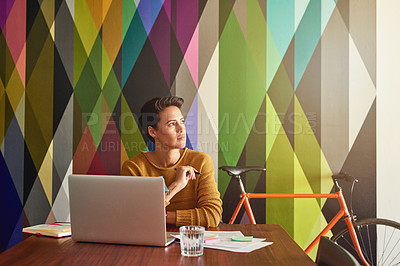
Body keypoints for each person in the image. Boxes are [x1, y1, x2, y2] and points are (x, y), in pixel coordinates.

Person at [121, 96, 222, 227]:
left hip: (190, 241)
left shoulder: (200, 161)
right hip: (149, 240)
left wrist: (161, 216)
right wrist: (177, 185)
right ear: (152, 132)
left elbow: (212, 216)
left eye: (182, 121)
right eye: (172, 124)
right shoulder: (134, 168)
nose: (181, 129)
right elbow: (132, 217)